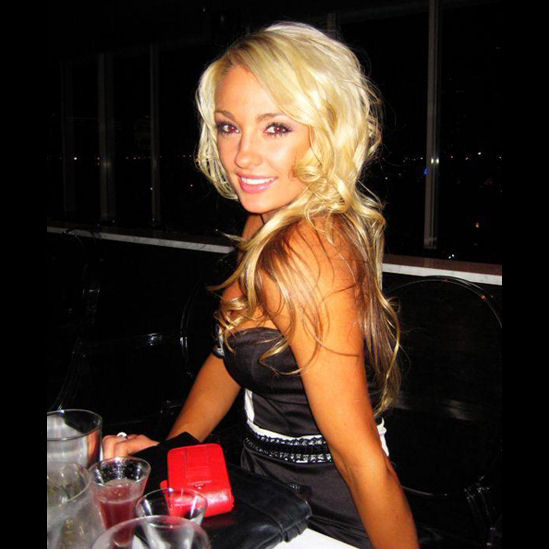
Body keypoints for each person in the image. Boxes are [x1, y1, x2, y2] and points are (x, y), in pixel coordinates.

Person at [103, 21, 419, 548]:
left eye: (276, 127)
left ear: (327, 128)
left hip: (325, 516)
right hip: (260, 490)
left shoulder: (308, 251)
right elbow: (226, 356)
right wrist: (171, 452)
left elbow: (359, 458)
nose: (243, 155)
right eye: (229, 127)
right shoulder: (266, 221)